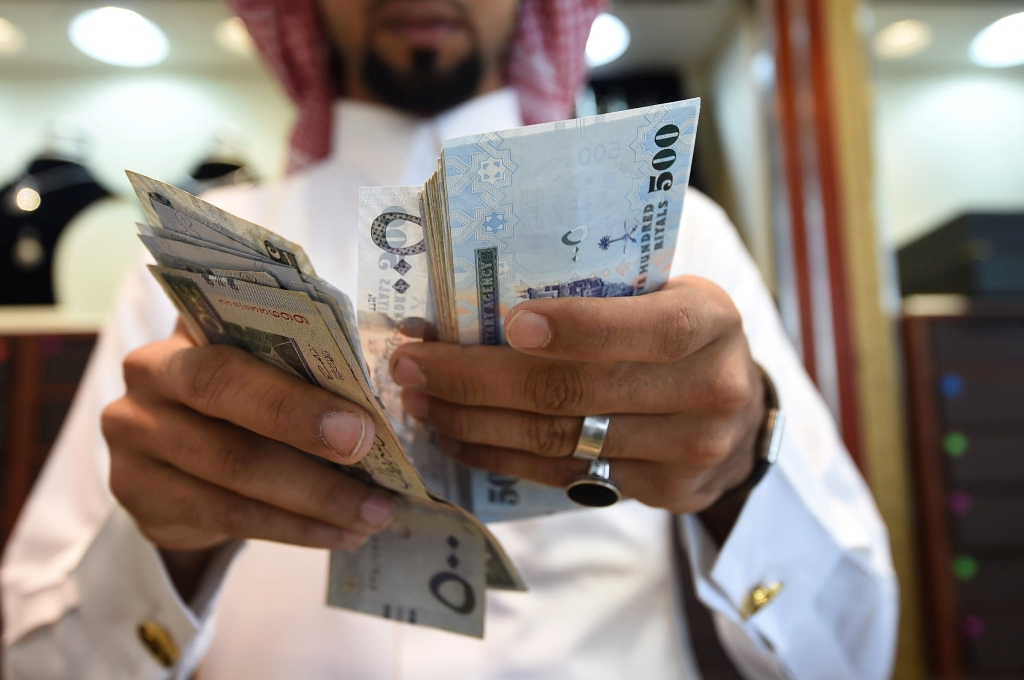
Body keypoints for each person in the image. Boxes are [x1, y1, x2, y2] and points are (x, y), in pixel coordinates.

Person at [1, 0, 899, 678]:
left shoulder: (678, 241)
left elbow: (856, 648)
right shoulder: (193, 263)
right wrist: (165, 547)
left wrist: (737, 475)